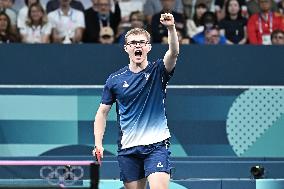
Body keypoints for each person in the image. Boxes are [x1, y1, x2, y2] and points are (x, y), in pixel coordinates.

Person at [93, 13, 179, 189]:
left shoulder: (158, 71)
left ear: (148, 47)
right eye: (133, 43)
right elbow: (102, 112)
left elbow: (174, 52)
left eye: (141, 42)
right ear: (126, 48)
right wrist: (98, 143)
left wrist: (171, 28)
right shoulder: (114, 80)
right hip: (128, 149)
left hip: (156, 146)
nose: (137, 46)